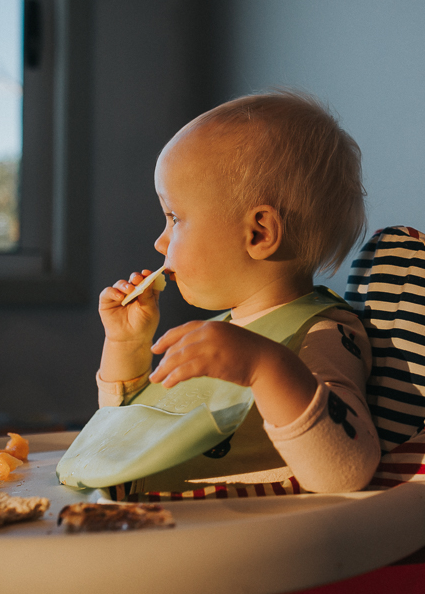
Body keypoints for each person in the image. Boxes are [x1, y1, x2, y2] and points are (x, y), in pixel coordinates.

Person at [95, 90, 380, 494]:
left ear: (259, 233)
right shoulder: (223, 334)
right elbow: (124, 438)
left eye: (175, 218)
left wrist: (265, 368)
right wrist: (125, 345)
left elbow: (348, 470)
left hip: (237, 544)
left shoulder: (321, 335)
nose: (161, 242)